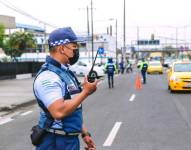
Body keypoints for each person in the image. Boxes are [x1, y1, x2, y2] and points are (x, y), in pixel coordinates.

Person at [33, 27, 98, 150]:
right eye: (74, 47)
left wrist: (84, 133)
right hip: (55, 142)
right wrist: (86, 92)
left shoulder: (65, 72)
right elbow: (58, 111)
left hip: (69, 140)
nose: (76, 51)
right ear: (62, 48)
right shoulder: (49, 77)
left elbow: (73, 107)